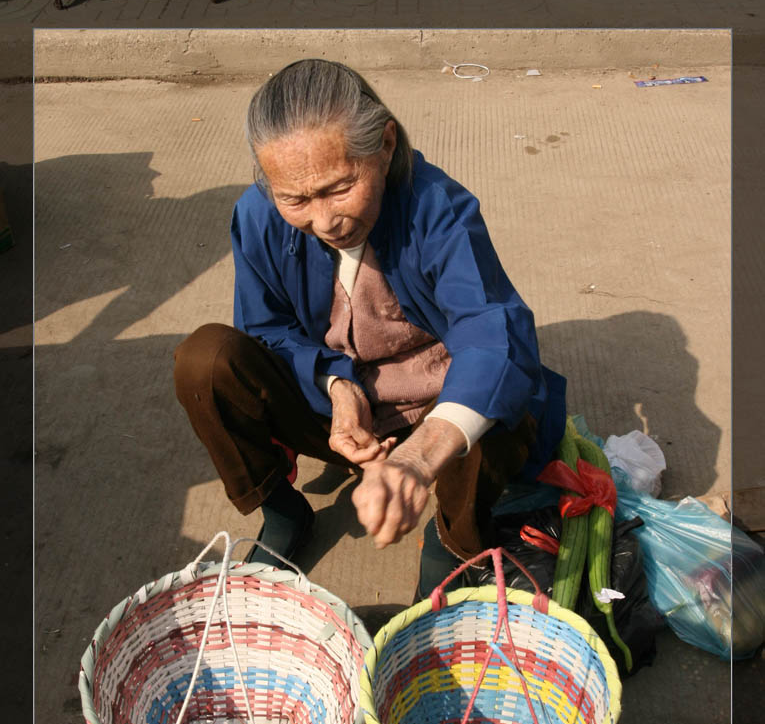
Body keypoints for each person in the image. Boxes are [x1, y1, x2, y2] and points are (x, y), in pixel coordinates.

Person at [174, 59, 567, 597]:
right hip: (347, 416)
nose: (324, 220)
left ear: (383, 145)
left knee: (491, 407)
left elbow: (493, 333)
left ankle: (454, 546)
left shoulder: (437, 207)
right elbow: (266, 329)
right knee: (206, 361)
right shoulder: (259, 215)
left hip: (431, 413)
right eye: (296, 199)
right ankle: (283, 509)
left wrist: (422, 451)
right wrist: (336, 387)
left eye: (339, 187)